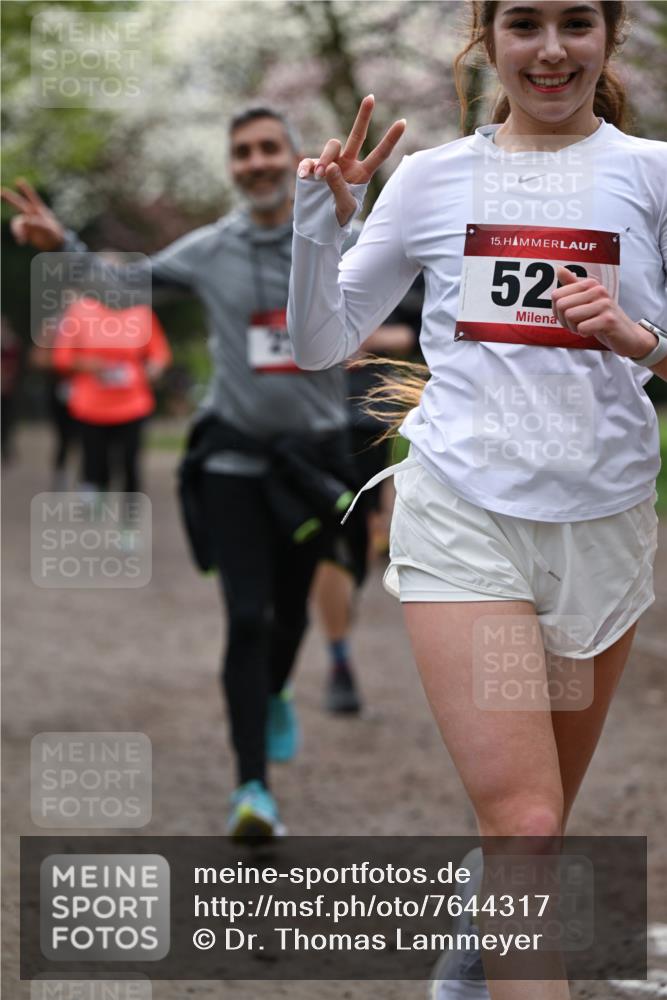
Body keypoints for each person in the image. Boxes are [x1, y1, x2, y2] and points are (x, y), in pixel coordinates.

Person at [288, 2, 666, 997]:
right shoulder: (430, 179)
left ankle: (471, 951)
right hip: (463, 510)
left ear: (609, 36)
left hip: (602, 524)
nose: (551, 49)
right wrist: (317, 227)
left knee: (535, 824)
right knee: (526, 826)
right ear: (486, 39)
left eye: (575, 23)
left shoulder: (652, 175)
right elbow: (323, 343)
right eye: (524, 24)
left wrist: (638, 339)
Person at [1, 108, 406, 839]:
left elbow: (399, 281)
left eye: (268, 148)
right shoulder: (212, 248)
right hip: (231, 456)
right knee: (246, 616)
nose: (255, 161)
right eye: (241, 152)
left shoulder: (337, 235)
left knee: (290, 615)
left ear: (293, 158)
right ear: (232, 167)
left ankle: (274, 693)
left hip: (312, 462)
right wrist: (63, 244)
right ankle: (252, 788)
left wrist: (349, 214)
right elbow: (125, 287)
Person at [51, 295, 171, 504]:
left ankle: (130, 511)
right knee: (95, 460)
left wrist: (155, 367)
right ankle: (95, 493)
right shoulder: (79, 311)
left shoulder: (141, 312)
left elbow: (160, 351)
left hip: (133, 404)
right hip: (91, 406)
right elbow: (61, 357)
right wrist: (88, 364)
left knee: (129, 460)